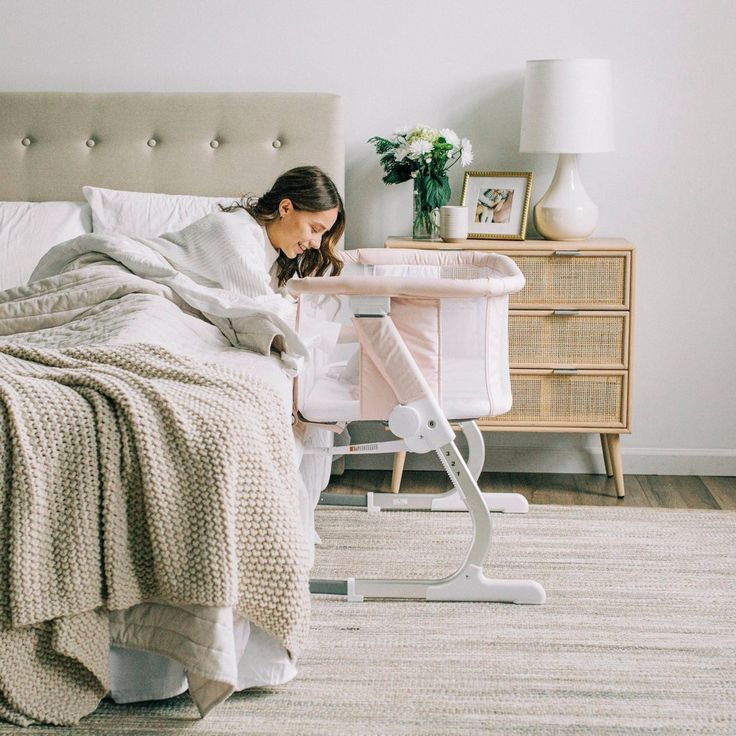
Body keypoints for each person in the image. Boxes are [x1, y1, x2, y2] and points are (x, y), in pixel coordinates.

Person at [221, 166, 345, 289]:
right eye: (315, 229)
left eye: (323, 234)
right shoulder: (233, 233)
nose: (317, 244)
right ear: (285, 208)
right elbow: (261, 305)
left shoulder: (277, 260)